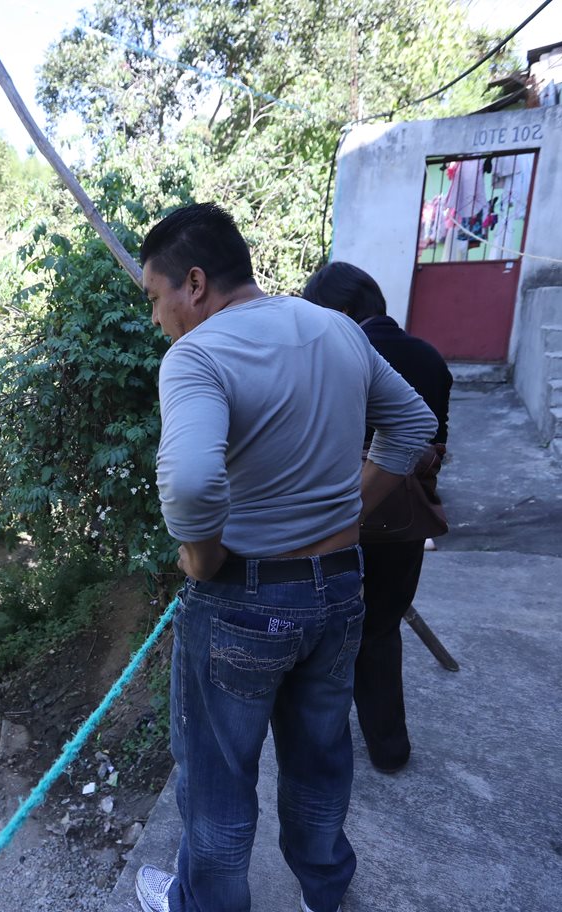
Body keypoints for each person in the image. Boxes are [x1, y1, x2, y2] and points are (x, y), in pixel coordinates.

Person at [133, 204, 436, 912]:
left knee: (218, 783)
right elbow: (413, 424)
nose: (157, 319)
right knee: (320, 765)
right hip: (338, 595)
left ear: (196, 283)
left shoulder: (197, 355)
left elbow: (188, 481)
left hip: (242, 602)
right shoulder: (334, 328)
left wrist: (202, 560)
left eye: (156, 297)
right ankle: (325, 896)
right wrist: (348, 514)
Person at [301, 261, 452, 774]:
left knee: (330, 639)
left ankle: (325, 752)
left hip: (343, 518)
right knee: (382, 630)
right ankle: (390, 751)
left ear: (339, 312)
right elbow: (437, 443)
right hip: (406, 523)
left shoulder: (336, 354)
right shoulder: (431, 357)